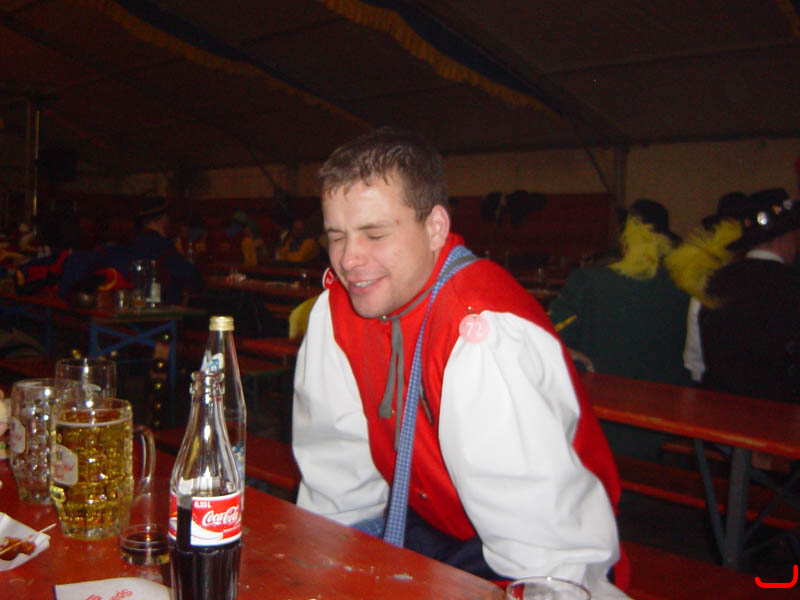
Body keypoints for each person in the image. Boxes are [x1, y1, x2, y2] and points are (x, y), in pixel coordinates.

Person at [292, 127, 629, 598]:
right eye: (337, 237)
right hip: (427, 523)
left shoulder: (481, 332)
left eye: (375, 234)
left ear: (435, 228)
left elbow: (547, 554)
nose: (349, 259)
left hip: (537, 556)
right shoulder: (336, 311)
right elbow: (339, 488)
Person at [548, 199, 691, 386]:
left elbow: (551, 333)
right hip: (669, 393)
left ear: (624, 241)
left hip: (602, 390)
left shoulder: (588, 281)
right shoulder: (684, 285)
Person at [699, 188, 800, 403]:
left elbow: (695, 362)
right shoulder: (793, 284)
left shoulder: (711, 282)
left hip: (720, 410)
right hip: (781, 413)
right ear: (787, 236)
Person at [128, 197, 202, 305]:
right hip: (161, 309)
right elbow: (192, 276)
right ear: (163, 219)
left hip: (134, 306)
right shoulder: (162, 246)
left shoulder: (132, 243)